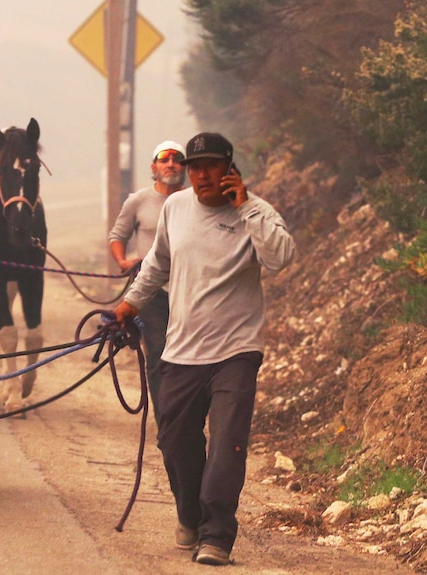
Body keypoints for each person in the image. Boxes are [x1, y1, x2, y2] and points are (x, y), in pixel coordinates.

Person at [112, 132, 295, 566]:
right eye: (195, 168)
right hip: (181, 351)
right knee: (174, 443)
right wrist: (130, 302)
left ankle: (216, 534)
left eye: (211, 166)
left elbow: (281, 257)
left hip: (236, 351)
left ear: (230, 169)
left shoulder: (257, 212)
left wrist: (247, 206)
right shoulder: (175, 208)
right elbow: (157, 262)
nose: (201, 175)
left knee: (228, 442)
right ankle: (190, 514)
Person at [108, 140, 186, 425]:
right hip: (150, 290)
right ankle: (166, 419)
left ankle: (186, 413)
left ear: (184, 168)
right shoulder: (138, 200)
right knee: (158, 350)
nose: (171, 164)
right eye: (164, 160)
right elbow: (118, 235)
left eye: (177, 159)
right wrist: (122, 261)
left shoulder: (193, 201)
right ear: (154, 168)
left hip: (188, 291)